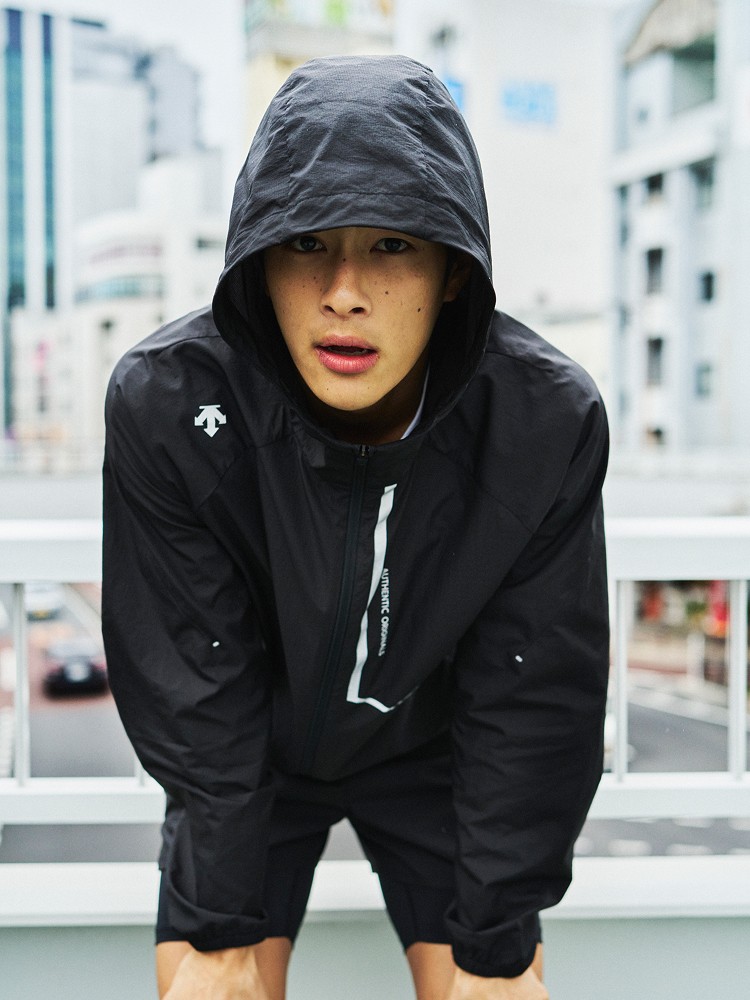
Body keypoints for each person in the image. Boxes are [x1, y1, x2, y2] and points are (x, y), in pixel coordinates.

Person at [102, 54, 609, 1000]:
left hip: (432, 751)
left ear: (452, 272)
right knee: (209, 983)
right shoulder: (170, 401)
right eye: (305, 242)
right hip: (249, 757)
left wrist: (496, 940)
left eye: (391, 245)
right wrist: (219, 928)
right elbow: (196, 677)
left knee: (498, 989)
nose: (344, 291)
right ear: (259, 261)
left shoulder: (541, 420)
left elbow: (533, 688)